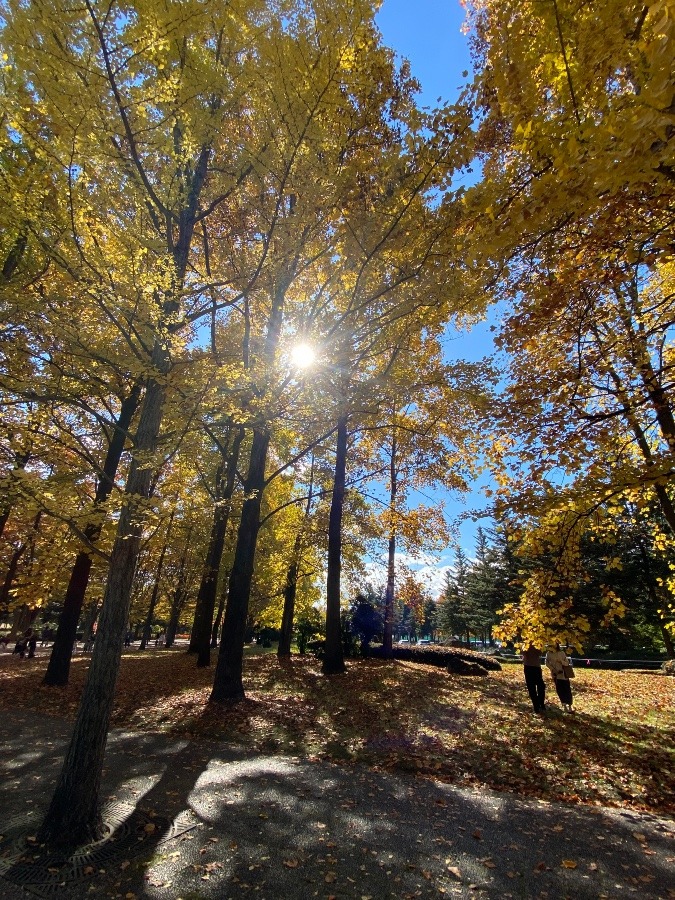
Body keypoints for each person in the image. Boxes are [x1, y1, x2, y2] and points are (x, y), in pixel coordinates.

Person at [545, 643, 574, 712]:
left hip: (564, 675)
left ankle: (569, 705)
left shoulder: (561, 653)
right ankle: (564, 705)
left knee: (567, 690)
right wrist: (553, 669)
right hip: (556, 675)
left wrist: (561, 661)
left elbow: (567, 663)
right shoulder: (548, 654)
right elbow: (547, 663)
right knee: (560, 690)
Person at [522, 644, 546, 713]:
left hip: (536, 666)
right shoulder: (525, 644)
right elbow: (523, 653)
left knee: (540, 686)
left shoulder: (537, 642)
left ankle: (540, 703)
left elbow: (540, 653)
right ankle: (536, 705)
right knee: (531, 687)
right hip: (528, 666)